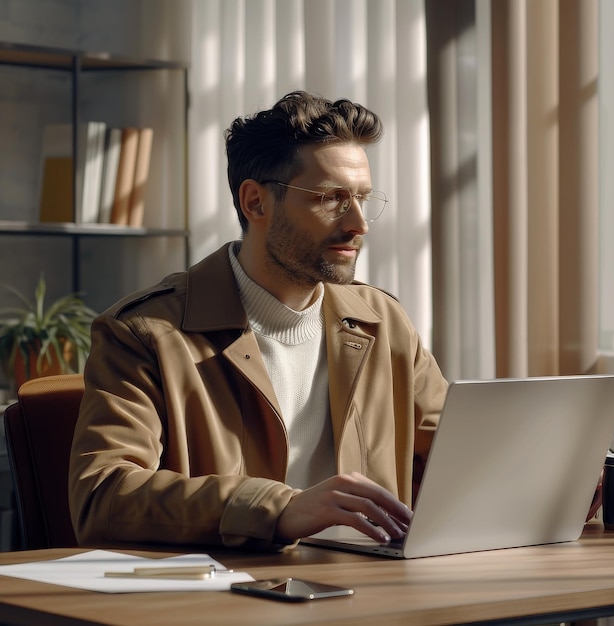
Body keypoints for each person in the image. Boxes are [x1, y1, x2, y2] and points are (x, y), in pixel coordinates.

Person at [68, 91, 449, 550]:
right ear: (256, 203)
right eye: (332, 198)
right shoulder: (145, 333)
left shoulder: (382, 321)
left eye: (364, 199)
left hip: (375, 590)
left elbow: (461, 451)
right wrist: (278, 508)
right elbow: (103, 494)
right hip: (233, 600)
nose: (359, 223)